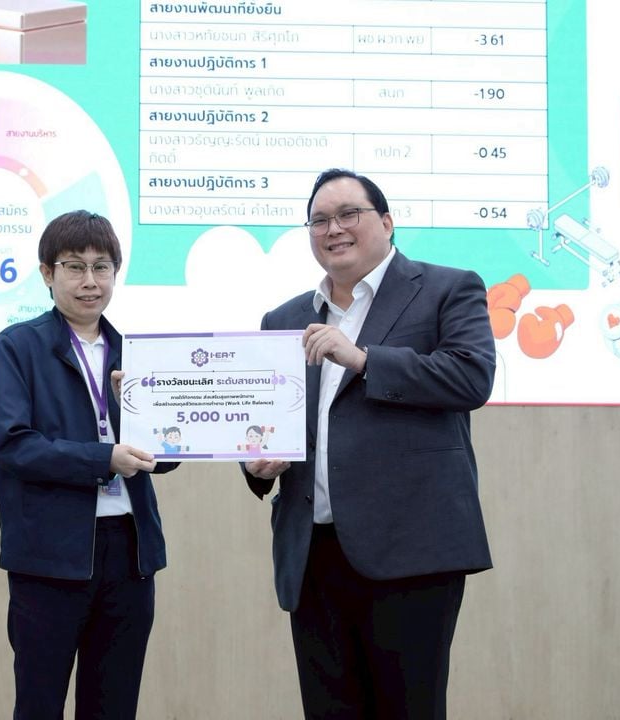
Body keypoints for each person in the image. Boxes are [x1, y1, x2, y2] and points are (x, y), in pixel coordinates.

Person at [243, 169, 495, 719]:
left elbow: (471, 377)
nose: (333, 229)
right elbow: (265, 423)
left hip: (411, 552)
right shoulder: (284, 319)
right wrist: (258, 464)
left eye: (347, 214)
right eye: (319, 220)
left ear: (386, 222)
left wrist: (363, 359)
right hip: (313, 554)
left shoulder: (447, 289)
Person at [0, 210, 178, 720]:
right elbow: (13, 445)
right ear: (47, 273)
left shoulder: (135, 353)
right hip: (50, 556)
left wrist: (154, 421)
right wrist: (103, 457)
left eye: (102, 267)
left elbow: (163, 457)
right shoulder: (18, 347)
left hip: (130, 553)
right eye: (74, 267)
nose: (90, 281)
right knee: (40, 704)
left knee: (114, 706)